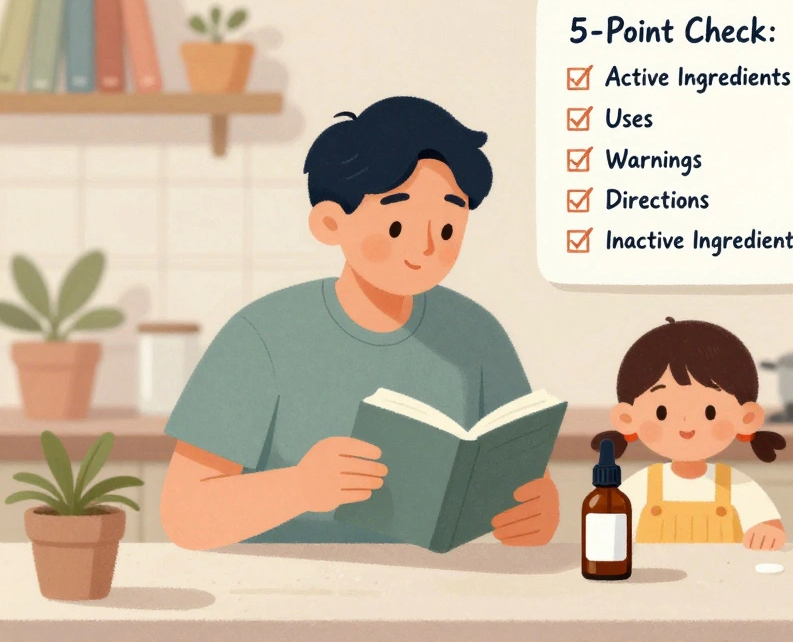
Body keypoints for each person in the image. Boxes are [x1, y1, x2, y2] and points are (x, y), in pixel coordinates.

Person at [160, 96, 559, 549]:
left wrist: (536, 514)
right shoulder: (262, 335)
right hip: (285, 581)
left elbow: (526, 484)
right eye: (397, 227)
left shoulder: (476, 334)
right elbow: (184, 515)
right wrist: (300, 488)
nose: (426, 247)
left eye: (447, 228)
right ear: (331, 222)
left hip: (437, 581)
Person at [593, 318, 788, 549]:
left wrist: (766, 533)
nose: (686, 423)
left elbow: (770, 526)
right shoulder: (640, 487)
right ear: (627, 418)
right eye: (662, 412)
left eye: (709, 412)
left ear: (747, 418)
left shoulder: (737, 486)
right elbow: (610, 533)